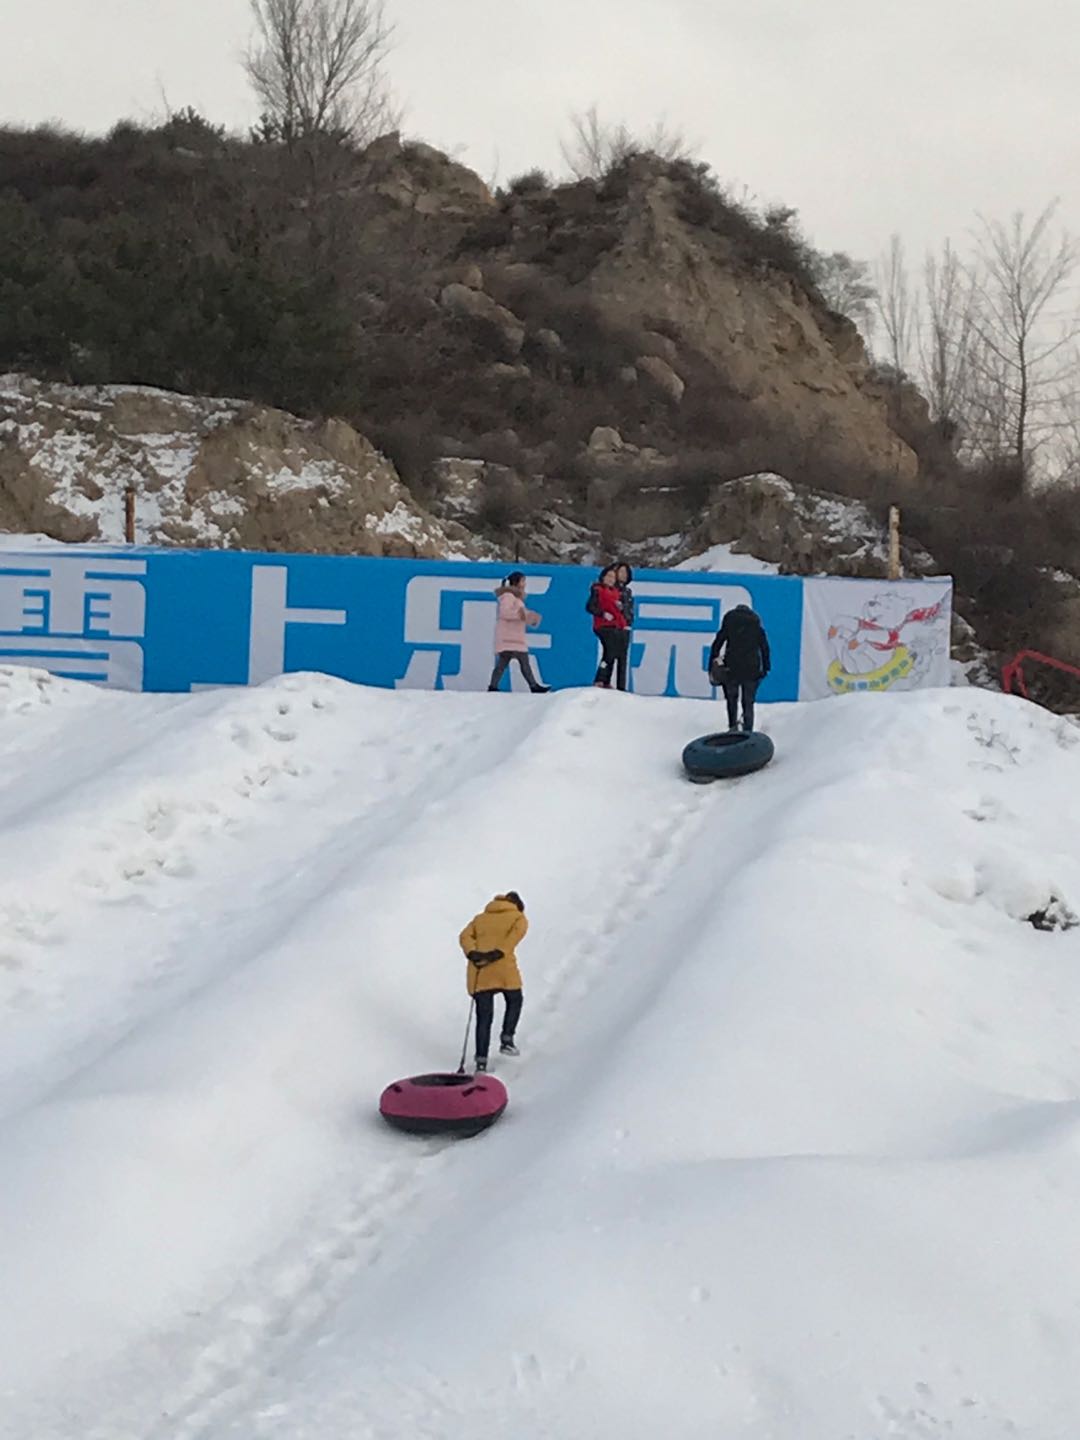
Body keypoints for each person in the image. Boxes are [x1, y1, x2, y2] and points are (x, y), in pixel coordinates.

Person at [458, 890, 528, 1072]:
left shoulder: (480, 918)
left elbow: (464, 936)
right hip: (503, 967)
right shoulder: (518, 918)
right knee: (515, 999)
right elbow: (512, 940)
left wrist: (473, 953)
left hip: (480, 969)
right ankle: (507, 1039)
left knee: (484, 1017)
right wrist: (497, 953)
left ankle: (481, 1061)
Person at [707, 603, 770, 732]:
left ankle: (732, 726)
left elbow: (717, 644)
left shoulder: (729, 622)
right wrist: (766, 667)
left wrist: (711, 665)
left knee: (731, 699)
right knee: (748, 701)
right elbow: (764, 648)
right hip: (752, 668)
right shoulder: (756, 625)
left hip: (732, 667)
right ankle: (748, 729)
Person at [488, 572, 551, 693]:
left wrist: (530, 618)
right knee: (516, 662)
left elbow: (519, 613)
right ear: (516, 582)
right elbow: (505, 612)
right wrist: (522, 615)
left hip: (513, 636)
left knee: (507, 662)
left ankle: (493, 686)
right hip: (509, 636)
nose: (524, 584)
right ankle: (533, 686)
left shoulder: (515, 598)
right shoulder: (508, 596)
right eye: (522, 581)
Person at [586, 564, 630, 690]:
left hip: (614, 626)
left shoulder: (615, 593)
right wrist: (603, 614)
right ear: (603, 577)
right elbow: (590, 607)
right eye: (609, 576)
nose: (611, 579)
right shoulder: (597, 590)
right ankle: (600, 678)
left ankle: (605, 680)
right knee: (610, 652)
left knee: (612, 653)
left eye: (613, 577)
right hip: (603, 626)